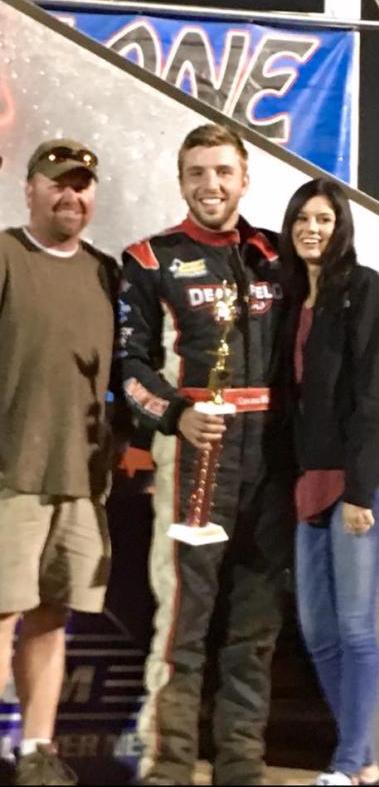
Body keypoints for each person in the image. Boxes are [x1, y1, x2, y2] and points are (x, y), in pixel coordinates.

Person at [119, 124, 379, 786]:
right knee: (181, 627)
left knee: (255, 630)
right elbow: (128, 366)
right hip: (194, 465)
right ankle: (166, 763)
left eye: (223, 171)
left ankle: (241, 761)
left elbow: (340, 317)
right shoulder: (151, 258)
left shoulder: (279, 257)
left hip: (275, 469)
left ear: (245, 179)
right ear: (180, 178)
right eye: (197, 172)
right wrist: (177, 414)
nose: (211, 185)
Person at [0, 139, 123, 786]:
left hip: (81, 482)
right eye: (57, 183)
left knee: (50, 618)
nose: (71, 195)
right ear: (30, 190)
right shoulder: (5, 255)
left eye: (81, 185)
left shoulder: (107, 272)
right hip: (9, 476)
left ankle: (35, 750)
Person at [278, 177, 379, 786]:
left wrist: (358, 490)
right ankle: (365, 756)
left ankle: (348, 764)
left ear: (341, 225)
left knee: (354, 627)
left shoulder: (364, 288)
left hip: (358, 484)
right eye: (303, 217)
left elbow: (376, 396)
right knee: (319, 633)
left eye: (323, 219)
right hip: (307, 483)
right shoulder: (289, 296)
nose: (312, 229)